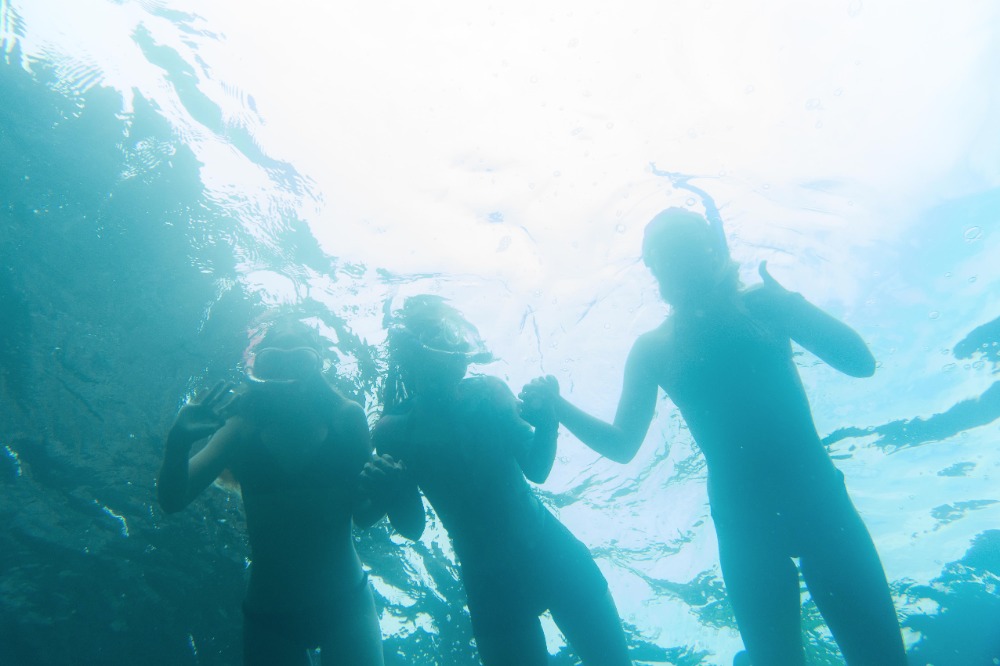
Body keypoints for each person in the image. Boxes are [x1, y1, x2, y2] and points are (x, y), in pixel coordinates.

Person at [521, 208, 907, 666]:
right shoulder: (656, 347)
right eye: (665, 257)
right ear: (655, 270)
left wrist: (791, 304)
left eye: (683, 249)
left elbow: (861, 364)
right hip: (759, 522)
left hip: (805, 509)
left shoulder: (762, 306)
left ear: (712, 249)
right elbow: (622, 447)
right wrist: (558, 406)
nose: (676, 265)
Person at [359, 295, 632, 666]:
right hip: (542, 557)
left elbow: (535, 470)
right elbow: (413, 525)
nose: (458, 352)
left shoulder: (477, 398)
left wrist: (548, 421)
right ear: (416, 355)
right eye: (445, 340)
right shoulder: (400, 430)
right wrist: (389, 490)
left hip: (500, 578)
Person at [157, 321, 384, 666]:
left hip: (344, 604)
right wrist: (177, 443)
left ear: (316, 365)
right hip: (274, 616)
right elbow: (173, 500)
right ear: (259, 369)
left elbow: (365, 514)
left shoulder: (346, 418)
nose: (287, 370)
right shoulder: (240, 427)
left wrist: (388, 490)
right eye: (274, 360)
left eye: (299, 359)